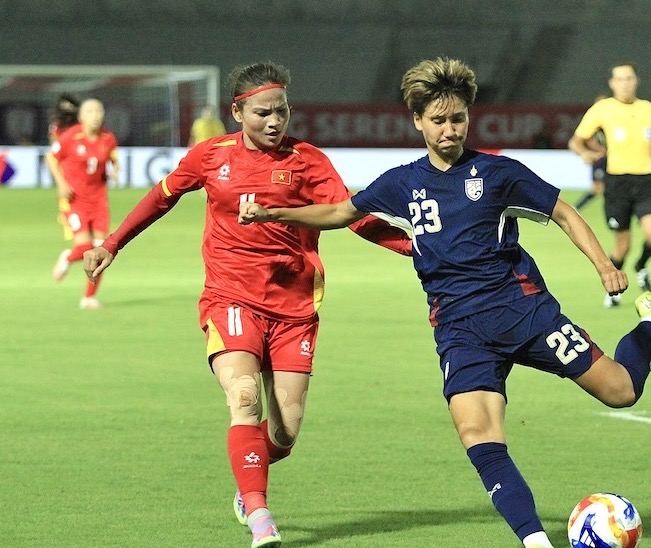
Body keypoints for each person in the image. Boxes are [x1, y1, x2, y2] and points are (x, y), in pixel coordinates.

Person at [238, 57, 651, 548]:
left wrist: (604, 266)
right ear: (418, 121)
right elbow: (341, 210)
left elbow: (564, 213)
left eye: (458, 119)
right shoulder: (401, 182)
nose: (449, 130)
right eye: (439, 120)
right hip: (460, 330)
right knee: (478, 435)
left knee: (621, 391)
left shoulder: (497, 172)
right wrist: (274, 211)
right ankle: (535, 541)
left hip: (526, 312)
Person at [83, 61, 412, 548]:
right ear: (237, 112)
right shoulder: (211, 155)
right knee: (243, 397)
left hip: (294, 306)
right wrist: (112, 243)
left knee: (285, 432)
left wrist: (416, 248)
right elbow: (161, 196)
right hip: (230, 296)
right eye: (262, 113)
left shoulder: (308, 161)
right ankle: (260, 516)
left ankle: (248, 477)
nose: (275, 122)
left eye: (282, 112)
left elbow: (353, 216)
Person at [569, 63, 651, 308]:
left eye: (629, 78)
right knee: (622, 246)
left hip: (644, 180)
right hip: (617, 183)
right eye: (620, 79)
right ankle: (613, 286)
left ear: (636, 80)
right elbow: (576, 141)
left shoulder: (646, 107)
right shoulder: (602, 109)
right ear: (612, 83)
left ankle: (641, 266)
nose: (625, 83)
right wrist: (584, 153)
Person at [48, 97, 119, 309]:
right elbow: (51, 158)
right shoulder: (71, 137)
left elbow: (113, 156)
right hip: (75, 200)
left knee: (101, 251)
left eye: (99, 111)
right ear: (81, 117)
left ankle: (88, 297)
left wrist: (115, 169)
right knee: (86, 247)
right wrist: (61, 183)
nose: (95, 116)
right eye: (90, 112)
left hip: (99, 201)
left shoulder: (108, 138)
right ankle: (69, 257)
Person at [46, 93, 81, 241]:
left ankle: (70, 216)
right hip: (62, 160)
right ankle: (66, 216)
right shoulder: (57, 124)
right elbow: (53, 141)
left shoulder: (79, 122)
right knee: (64, 189)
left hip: (76, 161)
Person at [570, 94, 608, 211]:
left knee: (612, 186)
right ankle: (575, 208)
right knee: (598, 188)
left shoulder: (610, 122)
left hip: (611, 159)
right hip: (600, 159)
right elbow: (587, 140)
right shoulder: (593, 123)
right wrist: (602, 150)